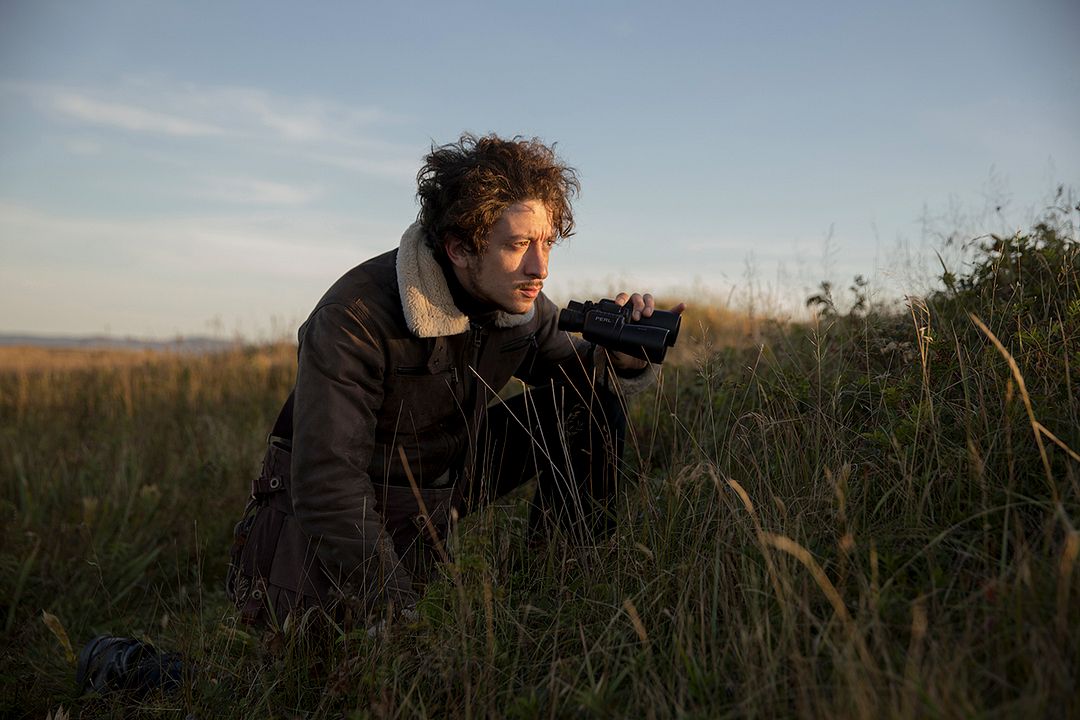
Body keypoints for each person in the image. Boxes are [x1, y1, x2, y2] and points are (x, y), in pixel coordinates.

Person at [226, 133, 686, 629]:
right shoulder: (353, 319)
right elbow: (327, 484)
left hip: (440, 487)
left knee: (589, 405)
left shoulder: (519, 305)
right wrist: (400, 612)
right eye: (517, 245)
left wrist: (624, 358)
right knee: (330, 663)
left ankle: (563, 586)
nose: (541, 268)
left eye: (545, 242)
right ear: (461, 248)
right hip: (339, 519)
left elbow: (582, 376)